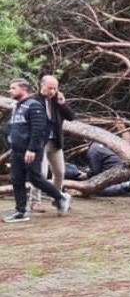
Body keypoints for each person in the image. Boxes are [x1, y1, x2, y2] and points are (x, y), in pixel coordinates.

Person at [4, 78, 72, 223]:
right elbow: (13, 126)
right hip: (18, 149)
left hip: (37, 147)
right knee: (17, 179)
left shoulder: (34, 105)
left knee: (38, 177)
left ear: (23, 89)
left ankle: (60, 197)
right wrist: (11, 139)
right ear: (42, 86)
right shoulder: (17, 105)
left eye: (13, 88)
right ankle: (21, 211)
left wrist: (32, 149)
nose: (10, 91)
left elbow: (38, 129)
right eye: (50, 88)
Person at [29, 74, 75, 212]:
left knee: (60, 172)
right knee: (41, 174)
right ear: (41, 85)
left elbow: (71, 117)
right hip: (39, 142)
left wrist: (63, 104)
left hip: (55, 141)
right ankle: (34, 202)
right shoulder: (33, 100)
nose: (52, 91)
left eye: (55, 89)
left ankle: (57, 198)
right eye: (50, 88)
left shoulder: (57, 101)